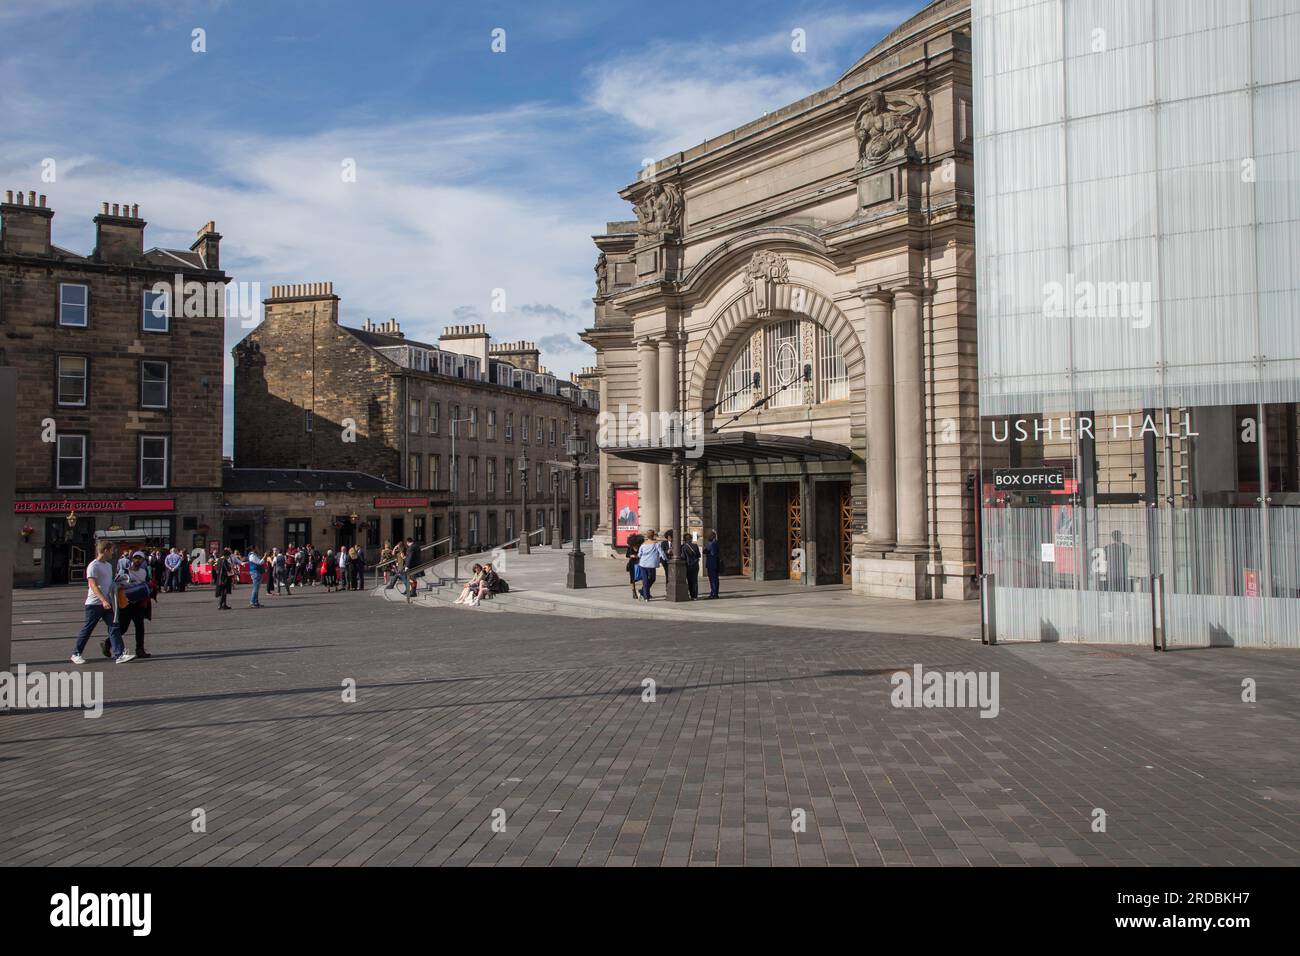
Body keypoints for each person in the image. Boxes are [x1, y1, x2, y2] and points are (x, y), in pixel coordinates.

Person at [72, 539, 132, 665]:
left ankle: (119, 654)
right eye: (111, 551)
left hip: (107, 603)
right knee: (88, 628)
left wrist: (118, 586)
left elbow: (108, 584)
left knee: (114, 626)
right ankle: (76, 654)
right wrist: (103, 600)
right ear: (105, 551)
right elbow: (93, 586)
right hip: (94, 604)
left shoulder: (108, 566)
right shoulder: (93, 566)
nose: (113, 553)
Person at [115, 550, 154, 659]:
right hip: (127, 603)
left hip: (138, 603)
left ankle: (140, 650)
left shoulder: (144, 572)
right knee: (123, 627)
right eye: (135, 558)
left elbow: (146, 584)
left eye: (140, 558)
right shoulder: (125, 572)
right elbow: (117, 584)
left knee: (140, 626)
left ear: (143, 560)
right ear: (132, 559)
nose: (137, 560)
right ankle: (107, 643)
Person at [637, 530, 663, 601]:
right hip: (651, 564)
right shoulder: (656, 544)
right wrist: (665, 559)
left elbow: (639, 554)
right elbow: (662, 553)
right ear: (653, 535)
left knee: (645, 580)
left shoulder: (643, 545)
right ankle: (645, 595)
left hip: (643, 564)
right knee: (652, 579)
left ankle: (644, 593)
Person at [680, 533, 701, 601]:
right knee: (695, 580)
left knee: (689, 580)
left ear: (684, 539)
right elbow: (699, 555)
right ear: (691, 538)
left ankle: (691, 594)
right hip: (695, 565)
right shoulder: (695, 545)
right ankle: (695, 595)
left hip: (688, 565)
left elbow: (683, 557)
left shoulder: (684, 547)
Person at [625, 531, 645, 601]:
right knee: (632, 578)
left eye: (637, 543)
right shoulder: (630, 547)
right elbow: (627, 555)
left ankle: (644, 591)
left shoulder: (640, 547)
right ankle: (634, 592)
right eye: (635, 544)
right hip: (632, 563)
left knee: (643, 577)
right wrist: (632, 555)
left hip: (640, 563)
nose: (636, 545)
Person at [704, 530, 721, 599]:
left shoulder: (711, 543)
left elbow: (710, 553)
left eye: (708, 536)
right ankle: (714, 593)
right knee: (715, 579)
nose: (707, 538)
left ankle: (714, 594)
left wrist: (706, 550)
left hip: (712, 564)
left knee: (713, 580)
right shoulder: (715, 543)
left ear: (711, 536)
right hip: (715, 564)